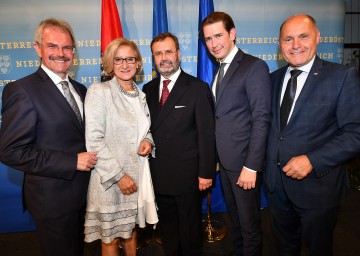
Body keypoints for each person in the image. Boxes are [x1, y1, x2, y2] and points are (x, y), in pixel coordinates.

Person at [264, 14, 360, 256]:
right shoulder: (271, 80)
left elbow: (355, 133)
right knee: (285, 247)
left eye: (303, 36)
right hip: (276, 188)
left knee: (319, 249)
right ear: (279, 44)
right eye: (288, 39)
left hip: (318, 188)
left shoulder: (342, 77)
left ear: (318, 37)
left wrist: (312, 160)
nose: (295, 45)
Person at [0, 18, 98, 256]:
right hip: (51, 201)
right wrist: (71, 161)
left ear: (73, 51)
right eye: (52, 46)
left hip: (81, 195)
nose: (61, 53)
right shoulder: (22, 90)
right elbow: (11, 151)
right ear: (38, 48)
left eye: (66, 47)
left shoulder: (80, 89)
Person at [202, 12, 271, 255]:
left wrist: (251, 166)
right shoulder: (220, 70)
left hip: (244, 165)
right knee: (237, 221)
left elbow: (261, 118)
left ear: (232, 34)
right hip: (227, 163)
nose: (213, 43)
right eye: (208, 39)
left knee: (250, 225)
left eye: (218, 35)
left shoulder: (254, 67)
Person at [142, 32, 216, 256]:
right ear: (153, 58)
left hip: (188, 175)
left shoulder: (197, 88)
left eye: (168, 51)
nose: (164, 57)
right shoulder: (147, 90)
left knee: (190, 231)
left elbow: (207, 134)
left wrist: (206, 173)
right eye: (158, 53)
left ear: (178, 54)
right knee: (169, 230)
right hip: (158, 173)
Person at [83, 38, 158, 256]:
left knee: (131, 231)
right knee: (111, 237)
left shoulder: (141, 95)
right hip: (111, 179)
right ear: (110, 63)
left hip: (139, 175)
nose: (125, 65)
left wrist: (148, 141)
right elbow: (94, 140)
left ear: (138, 63)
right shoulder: (100, 91)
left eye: (129, 59)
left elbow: (145, 130)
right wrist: (119, 176)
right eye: (118, 60)